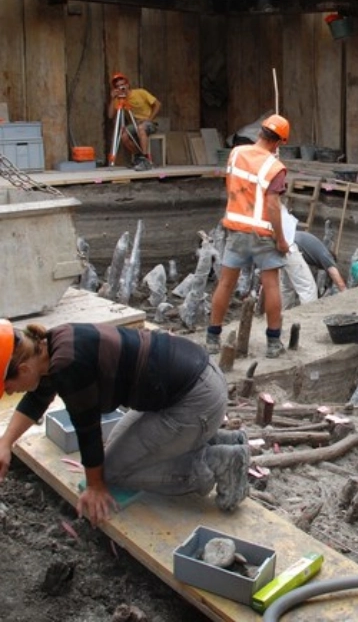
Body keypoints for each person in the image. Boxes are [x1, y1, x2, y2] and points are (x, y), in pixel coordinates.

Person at [0, 319, 250, 527]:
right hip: (192, 383)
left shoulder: (68, 365)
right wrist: (5, 443)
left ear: (22, 369)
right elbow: (37, 399)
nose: (10, 394)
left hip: (195, 401)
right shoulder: (50, 346)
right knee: (114, 459)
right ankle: (219, 441)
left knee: (114, 473)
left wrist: (96, 486)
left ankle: (218, 463)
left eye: (8, 388)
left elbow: (88, 431)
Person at [206, 114, 291, 358]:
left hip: (236, 228)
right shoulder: (275, 168)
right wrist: (282, 240)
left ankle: (213, 337)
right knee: (272, 284)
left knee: (225, 283)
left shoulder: (236, 153)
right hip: (262, 232)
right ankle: (273, 343)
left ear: (260, 133)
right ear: (279, 143)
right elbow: (273, 206)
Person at [107, 72, 161, 171]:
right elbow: (110, 115)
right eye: (118, 86)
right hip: (135, 124)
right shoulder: (118, 99)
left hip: (148, 122)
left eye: (123, 85)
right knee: (124, 136)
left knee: (141, 128)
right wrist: (112, 99)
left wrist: (150, 118)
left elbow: (158, 104)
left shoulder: (140, 92)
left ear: (127, 85)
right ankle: (139, 157)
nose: (121, 88)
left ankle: (145, 160)